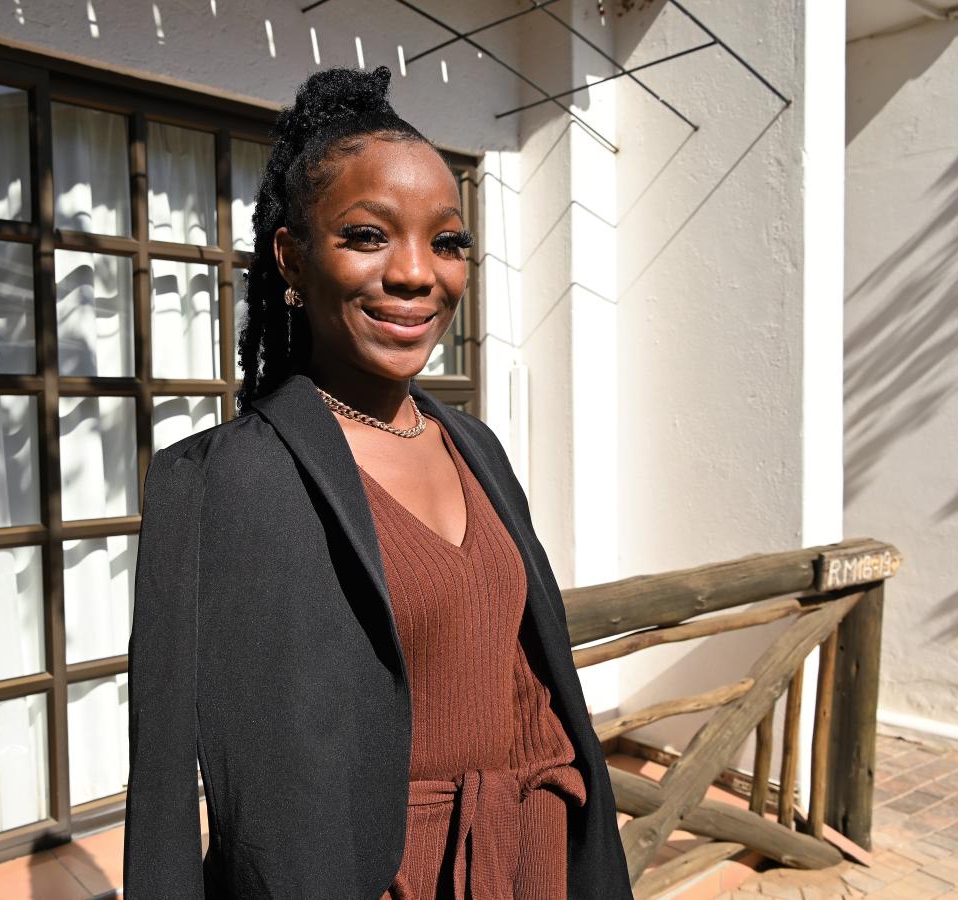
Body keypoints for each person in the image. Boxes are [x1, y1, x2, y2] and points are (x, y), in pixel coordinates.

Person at [123, 65, 632, 899]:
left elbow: (531, 683)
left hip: (531, 860)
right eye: (367, 235)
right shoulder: (221, 482)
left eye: (448, 240)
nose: (415, 273)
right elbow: (166, 793)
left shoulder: (478, 449)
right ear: (291, 258)